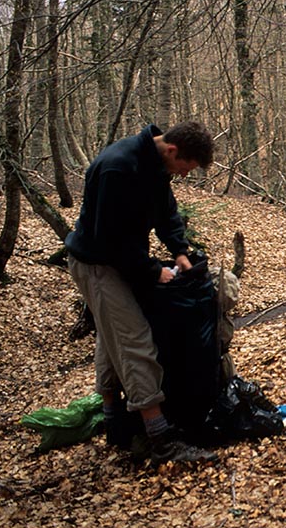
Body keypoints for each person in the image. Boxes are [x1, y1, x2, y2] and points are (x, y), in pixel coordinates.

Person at [65, 121, 218, 467]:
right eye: (185, 168)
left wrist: (179, 249)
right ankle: (161, 441)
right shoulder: (118, 167)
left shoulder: (156, 165)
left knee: (111, 335)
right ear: (173, 151)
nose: (183, 175)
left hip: (119, 262)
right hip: (98, 265)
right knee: (134, 342)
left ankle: (115, 421)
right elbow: (108, 239)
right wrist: (152, 270)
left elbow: (165, 211)